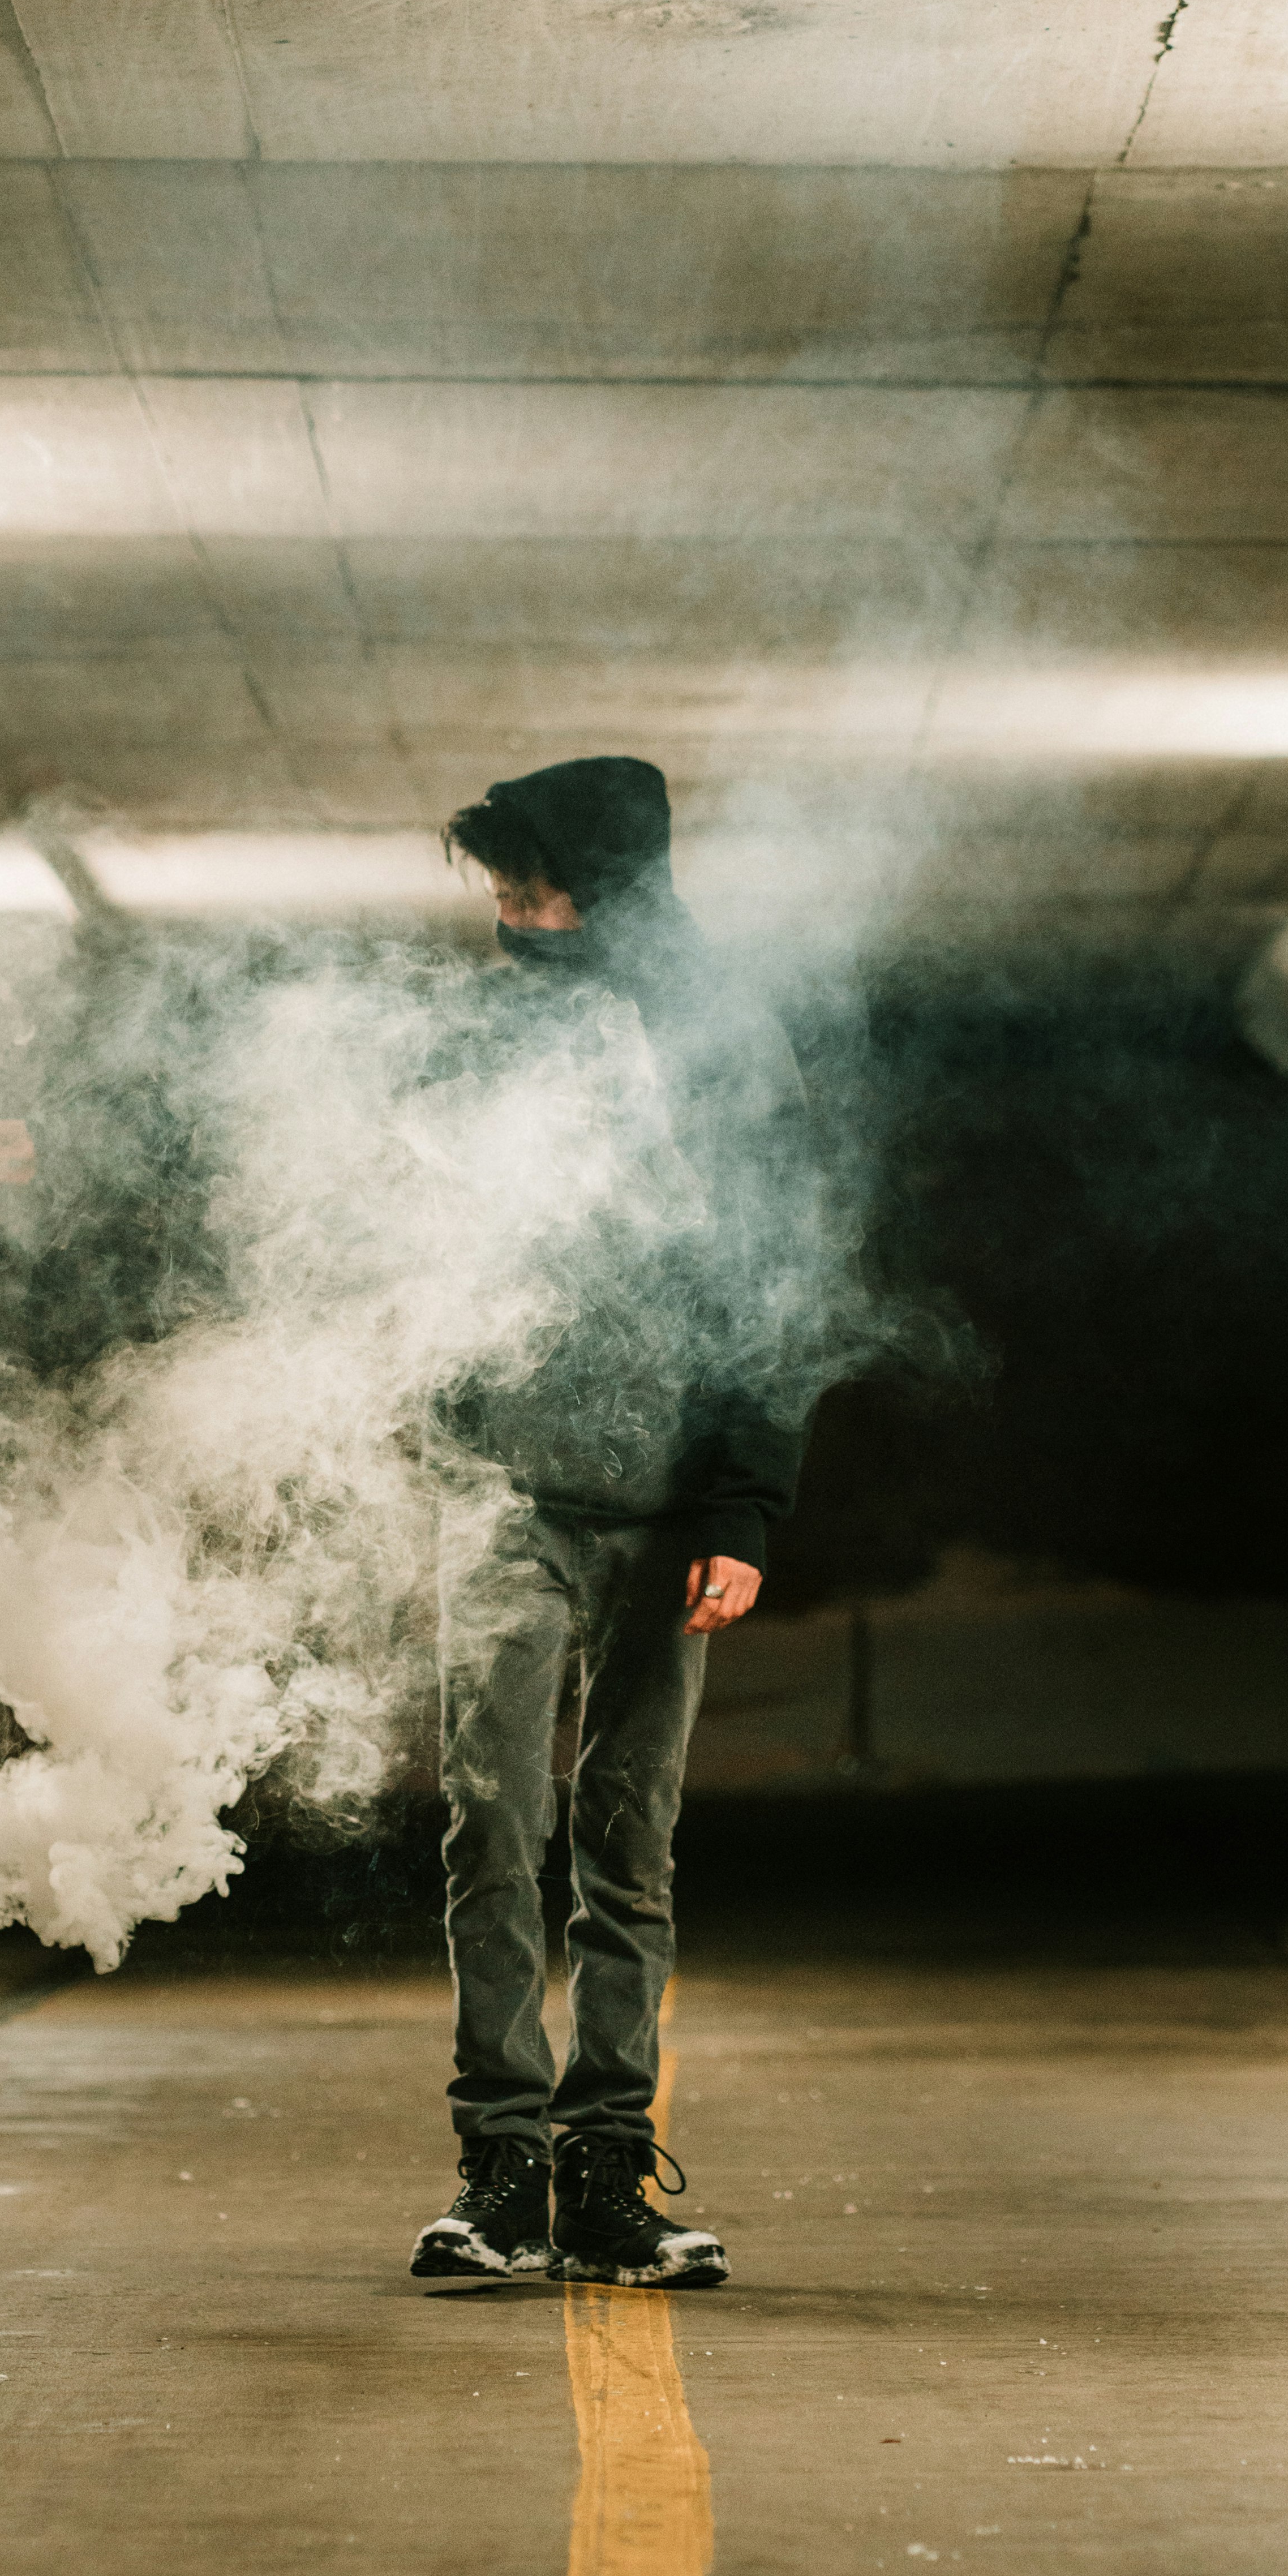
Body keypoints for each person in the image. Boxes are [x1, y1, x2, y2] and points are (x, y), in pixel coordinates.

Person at [409, 754, 817, 2294]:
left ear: (611, 885)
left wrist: (744, 1509)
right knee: (491, 1824)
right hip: (500, 1491)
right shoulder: (492, 1023)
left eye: (534, 883)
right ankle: (498, 2168)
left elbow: (784, 1280)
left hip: (662, 1516)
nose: (513, 911)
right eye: (501, 887)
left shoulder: (721, 1044)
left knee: (624, 1843)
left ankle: (601, 2173)